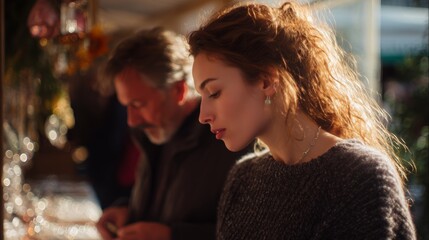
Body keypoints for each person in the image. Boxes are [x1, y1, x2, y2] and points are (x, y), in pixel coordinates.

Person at [188, 1, 417, 239]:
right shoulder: (242, 179)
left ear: (267, 81)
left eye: (214, 92)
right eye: (202, 96)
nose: (203, 116)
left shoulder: (359, 176)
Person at [95, 27, 252, 240]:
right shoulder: (155, 133)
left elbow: (250, 233)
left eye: (138, 104)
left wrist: (173, 236)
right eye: (126, 107)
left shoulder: (229, 142)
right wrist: (128, 213)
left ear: (179, 91)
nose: (131, 120)